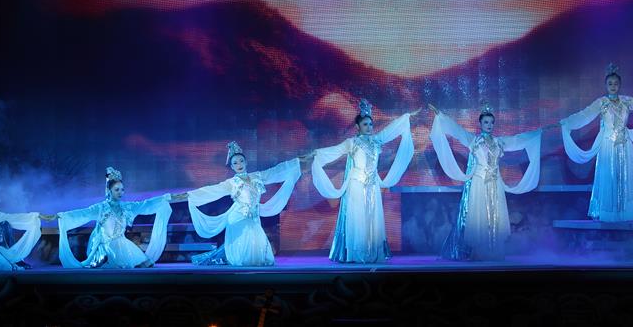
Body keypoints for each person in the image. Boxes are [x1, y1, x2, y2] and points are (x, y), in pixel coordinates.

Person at [560, 64, 633, 222]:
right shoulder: (601, 103)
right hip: (607, 145)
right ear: (605, 85)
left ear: (620, 85)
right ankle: (607, 211)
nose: (613, 86)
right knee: (608, 176)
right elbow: (585, 115)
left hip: (625, 144)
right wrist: (567, 122)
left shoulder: (626, 101)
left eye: (616, 83)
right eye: (610, 83)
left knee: (629, 176)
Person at [428, 102, 544, 260]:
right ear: (480, 124)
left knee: (496, 216)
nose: (489, 125)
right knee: (480, 216)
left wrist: (539, 132)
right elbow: (457, 130)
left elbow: (518, 140)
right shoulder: (474, 140)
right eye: (486, 122)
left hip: (495, 182)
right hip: (479, 182)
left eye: (491, 122)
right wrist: (440, 116)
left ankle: (494, 251)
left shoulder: (499, 142)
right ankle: (479, 252)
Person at [311, 99, 420, 263]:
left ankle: (372, 251)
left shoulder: (376, 140)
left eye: (370, 124)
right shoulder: (352, 143)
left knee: (372, 218)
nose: (369, 127)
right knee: (358, 218)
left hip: (372, 185)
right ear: (357, 126)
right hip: (356, 184)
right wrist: (316, 154)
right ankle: (355, 254)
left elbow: (391, 130)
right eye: (365, 124)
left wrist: (406, 117)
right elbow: (334, 151)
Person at [181, 141, 303, 266]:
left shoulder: (257, 176)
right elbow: (211, 190)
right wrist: (188, 195)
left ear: (246, 162)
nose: (239, 164)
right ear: (232, 167)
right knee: (246, 240)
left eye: (241, 161)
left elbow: (275, 172)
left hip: (254, 217)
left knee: (257, 244)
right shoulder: (232, 183)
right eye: (235, 163)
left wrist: (298, 163)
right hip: (238, 217)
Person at [56, 167, 174, 268]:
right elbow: (82, 213)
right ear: (109, 191)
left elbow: (146, 204)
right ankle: (101, 259)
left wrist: (166, 198)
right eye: (117, 190)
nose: (120, 192)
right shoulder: (101, 208)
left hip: (123, 245)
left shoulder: (126, 207)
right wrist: (61, 216)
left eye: (122, 190)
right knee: (107, 256)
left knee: (144, 264)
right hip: (104, 245)